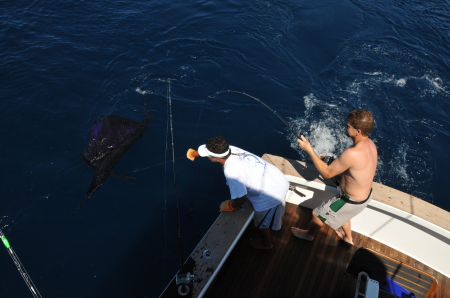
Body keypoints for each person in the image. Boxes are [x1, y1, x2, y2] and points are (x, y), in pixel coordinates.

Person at [291, 109, 377, 247]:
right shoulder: (370, 144)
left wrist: (309, 150)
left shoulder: (352, 153)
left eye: (348, 126)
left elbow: (327, 173)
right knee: (343, 215)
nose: (345, 127)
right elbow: (355, 165)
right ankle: (348, 238)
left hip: (349, 200)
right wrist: (332, 160)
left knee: (317, 215)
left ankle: (309, 235)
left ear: (358, 131)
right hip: (364, 197)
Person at [187, 136, 289, 249]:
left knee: (261, 223)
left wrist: (231, 205)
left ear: (216, 158)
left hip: (269, 196)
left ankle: (267, 243)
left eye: (208, 155)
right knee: (276, 210)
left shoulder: (231, 171)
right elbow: (209, 153)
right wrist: (194, 154)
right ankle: (277, 223)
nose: (207, 156)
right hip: (279, 179)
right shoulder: (229, 149)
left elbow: (242, 198)